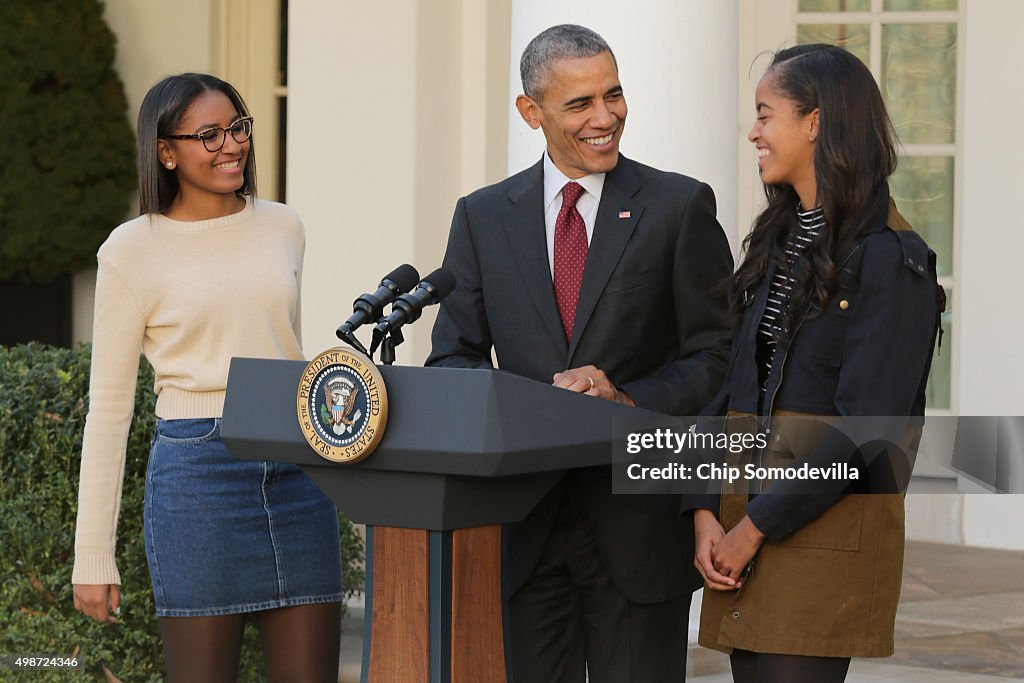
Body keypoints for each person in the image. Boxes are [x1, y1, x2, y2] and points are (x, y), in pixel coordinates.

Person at [426, 24, 734, 683]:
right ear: (530, 112)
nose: (606, 117)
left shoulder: (679, 207)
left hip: (639, 525)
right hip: (524, 527)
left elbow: (717, 359)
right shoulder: (482, 217)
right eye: (580, 104)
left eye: (613, 94)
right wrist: (528, 409)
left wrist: (628, 400)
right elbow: (452, 360)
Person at [72, 73, 343, 683]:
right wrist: (93, 556)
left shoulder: (283, 226)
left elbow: (284, 347)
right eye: (209, 134)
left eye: (239, 128)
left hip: (299, 469)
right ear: (166, 151)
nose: (232, 145)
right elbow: (110, 411)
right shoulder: (130, 250)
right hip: (198, 477)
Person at [688, 44, 942, 683]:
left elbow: (868, 431)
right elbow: (733, 390)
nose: (754, 131)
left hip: (821, 536)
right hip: (748, 521)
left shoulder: (893, 259)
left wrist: (752, 528)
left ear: (816, 123)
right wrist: (703, 510)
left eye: (765, 114)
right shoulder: (779, 241)